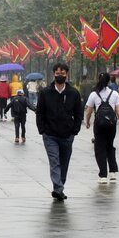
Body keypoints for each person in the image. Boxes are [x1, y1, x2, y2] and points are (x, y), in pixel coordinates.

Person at [36, 62, 84, 201]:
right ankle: (58, 188)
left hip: (67, 134)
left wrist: (74, 130)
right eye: (57, 74)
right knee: (54, 161)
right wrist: (42, 130)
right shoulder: (45, 92)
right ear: (53, 74)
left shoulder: (73, 93)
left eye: (62, 74)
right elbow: (40, 112)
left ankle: (59, 186)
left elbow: (78, 113)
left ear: (67, 75)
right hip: (50, 134)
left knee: (64, 162)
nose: (60, 76)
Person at [84, 72, 119, 183]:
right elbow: (118, 111)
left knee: (100, 148)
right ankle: (112, 172)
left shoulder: (94, 94)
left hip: (99, 125)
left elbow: (89, 111)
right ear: (109, 81)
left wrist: (87, 122)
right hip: (111, 125)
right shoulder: (115, 94)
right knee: (110, 146)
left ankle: (103, 175)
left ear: (98, 80)